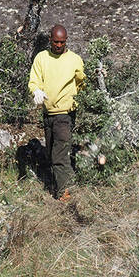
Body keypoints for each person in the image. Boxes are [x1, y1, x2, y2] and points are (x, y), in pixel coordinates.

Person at [28, 24, 86, 202]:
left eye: (62, 42)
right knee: (52, 152)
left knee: (59, 154)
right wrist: (36, 91)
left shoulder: (75, 59)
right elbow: (34, 81)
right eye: (56, 42)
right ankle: (64, 184)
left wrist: (74, 99)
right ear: (50, 40)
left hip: (65, 114)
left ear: (66, 41)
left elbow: (82, 83)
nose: (59, 45)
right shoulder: (41, 58)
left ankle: (64, 193)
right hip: (48, 113)